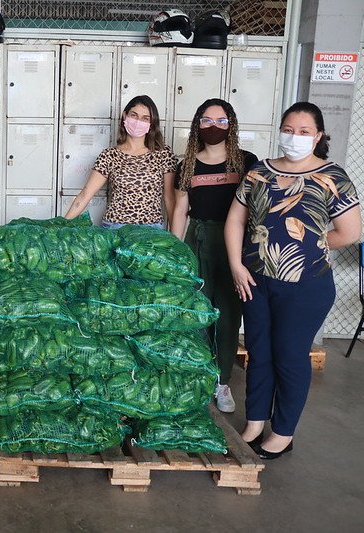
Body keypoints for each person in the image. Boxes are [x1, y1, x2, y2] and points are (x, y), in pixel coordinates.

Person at [226, 102, 360, 459]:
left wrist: (311, 245)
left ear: (318, 136)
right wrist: (237, 265)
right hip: (255, 282)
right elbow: (236, 220)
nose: (294, 137)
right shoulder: (259, 172)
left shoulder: (333, 176)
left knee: (289, 356)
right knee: (259, 352)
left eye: (303, 132)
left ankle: (283, 432)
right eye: (288, 130)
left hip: (307, 286)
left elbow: (349, 232)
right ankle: (255, 421)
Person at [171, 98, 259, 414]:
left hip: (234, 244)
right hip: (198, 239)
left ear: (231, 125)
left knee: (228, 314)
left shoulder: (246, 162)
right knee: (197, 310)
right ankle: (199, 375)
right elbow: (180, 210)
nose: (214, 126)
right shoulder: (187, 165)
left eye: (221, 121)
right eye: (207, 120)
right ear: (197, 125)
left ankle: (222, 381)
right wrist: (175, 253)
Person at [64, 94, 176, 228]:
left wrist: (175, 236)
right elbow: (85, 195)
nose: (138, 121)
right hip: (114, 228)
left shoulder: (163, 154)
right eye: (134, 115)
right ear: (124, 116)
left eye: (145, 118)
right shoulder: (109, 155)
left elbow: (170, 198)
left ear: (151, 124)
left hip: (151, 230)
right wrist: (61, 225)